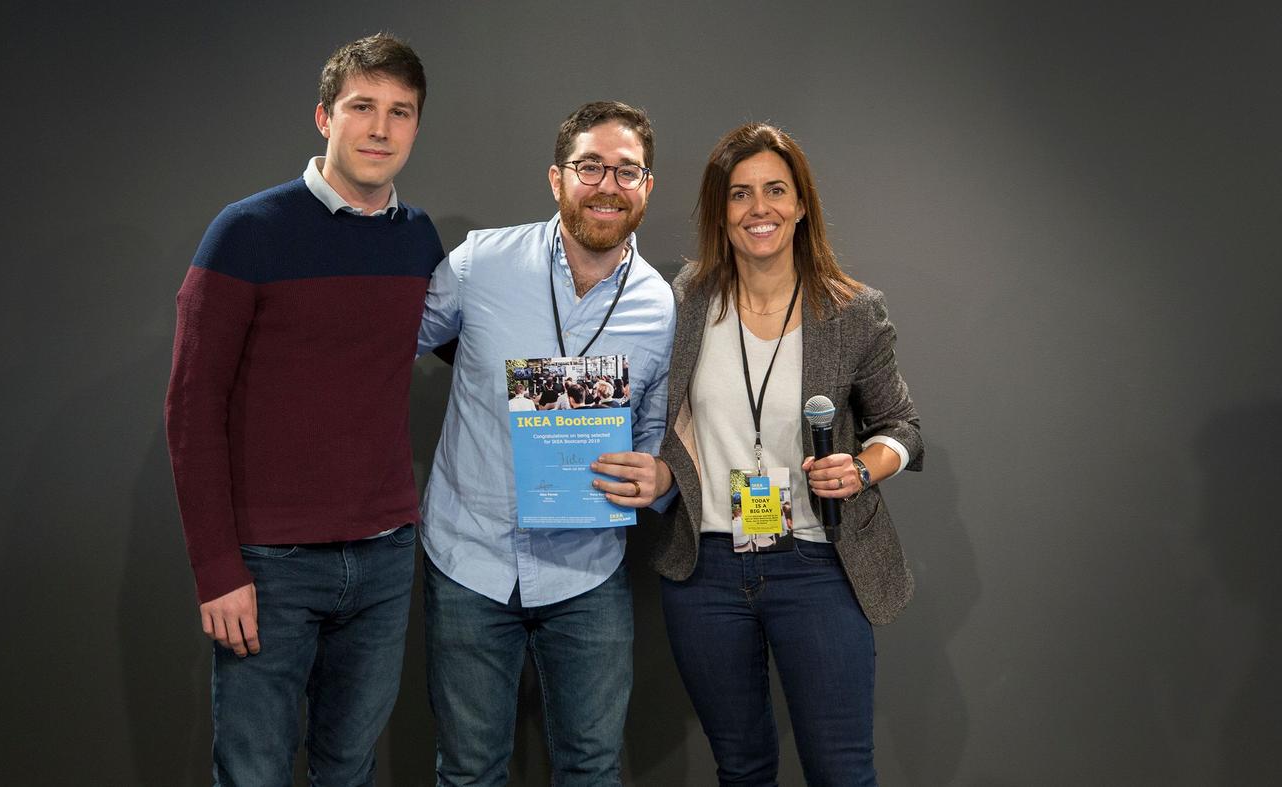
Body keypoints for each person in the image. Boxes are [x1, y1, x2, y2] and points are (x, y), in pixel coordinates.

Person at [164, 33, 440, 786]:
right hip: (269, 564)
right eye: (362, 107)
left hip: (383, 556)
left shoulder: (417, 241)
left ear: (416, 126)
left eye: (400, 111)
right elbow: (192, 410)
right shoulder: (247, 231)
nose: (380, 128)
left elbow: (481, 350)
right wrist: (217, 567)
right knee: (253, 771)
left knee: (348, 767)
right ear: (325, 116)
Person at [613, 123, 923, 785]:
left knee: (841, 771)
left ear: (802, 203)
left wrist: (863, 466)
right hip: (706, 568)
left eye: (776, 190)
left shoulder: (853, 311)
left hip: (819, 562)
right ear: (720, 211)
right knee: (742, 768)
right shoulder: (685, 300)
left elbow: (903, 428)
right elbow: (660, 414)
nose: (760, 208)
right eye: (740, 194)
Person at [416, 100, 675, 786]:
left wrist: (661, 476)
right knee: (469, 772)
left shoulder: (661, 305)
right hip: (469, 558)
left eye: (627, 171)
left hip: (586, 571)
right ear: (556, 179)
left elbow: (653, 435)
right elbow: (387, 346)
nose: (608, 185)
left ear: (647, 186)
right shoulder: (480, 263)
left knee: (591, 770)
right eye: (590, 166)